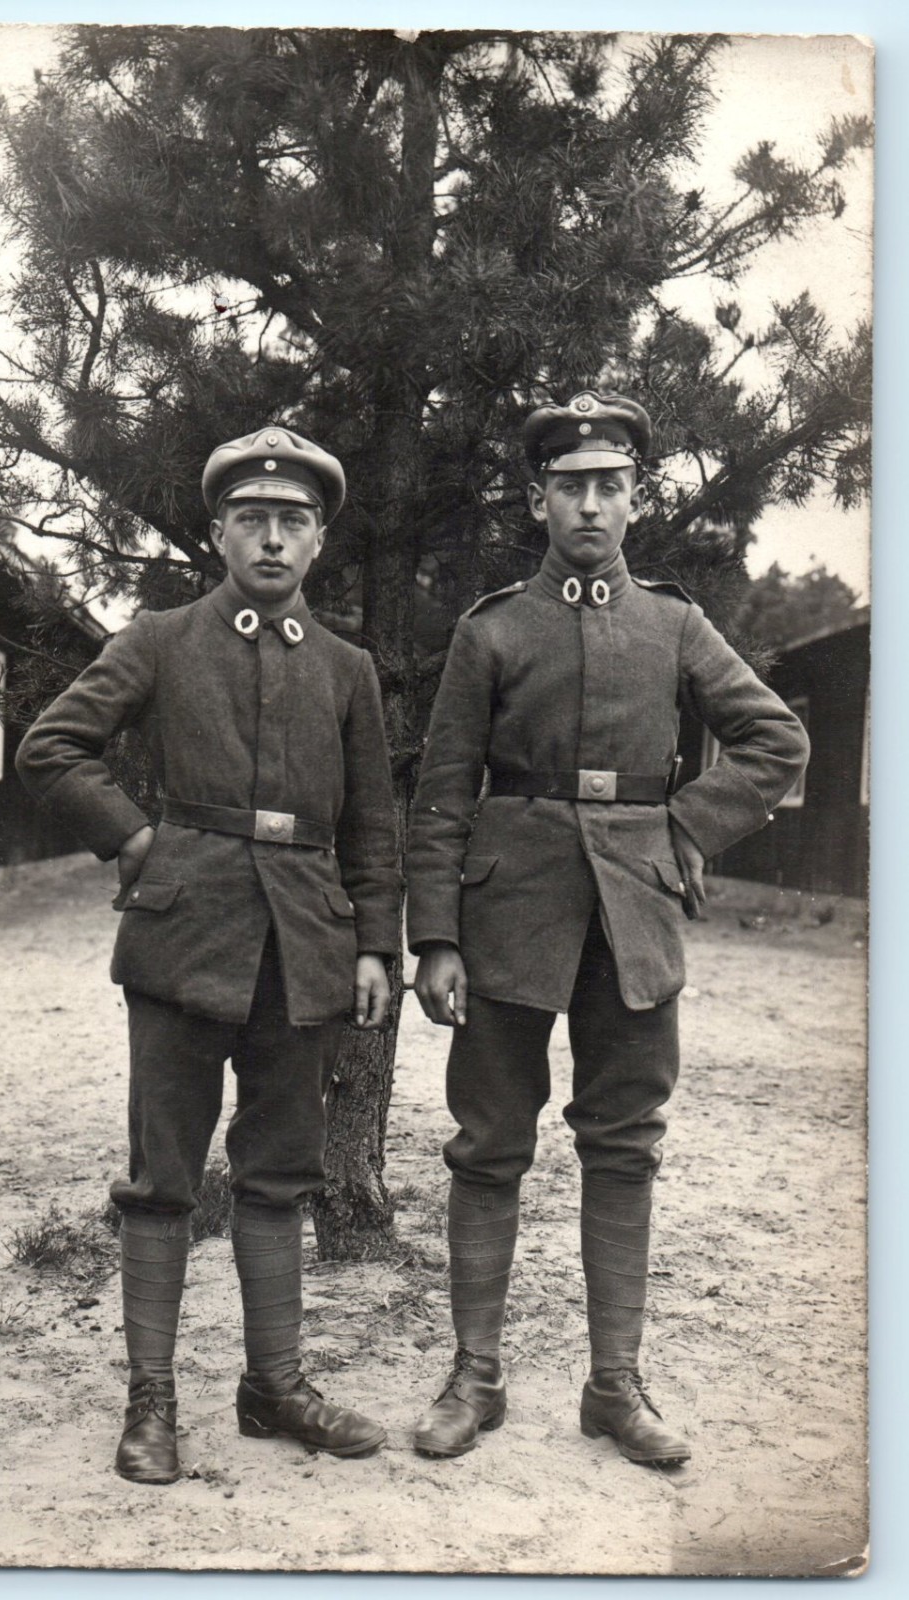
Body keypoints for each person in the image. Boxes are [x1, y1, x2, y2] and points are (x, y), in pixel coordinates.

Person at [404, 391, 809, 1465]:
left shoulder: (673, 624)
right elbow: (442, 790)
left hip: (632, 919)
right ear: (538, 499)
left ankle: (613, 1386)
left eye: (609, 485)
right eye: (569, 485)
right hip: (506, 916)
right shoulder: (490, 629)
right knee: (488, 1142)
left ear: (636, 499)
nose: (589, 504)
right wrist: (435, 934)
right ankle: (473, 1376)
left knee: (622, 1144)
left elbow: (772, 743)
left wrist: (679, 829)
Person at [16, 426, 400, 1483]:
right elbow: (51, 744)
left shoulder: (346, 670)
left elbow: (372, 824)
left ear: (317, 540)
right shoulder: (159, 639)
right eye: (252, 519)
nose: (272, 539)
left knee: (280, 1173)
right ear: (220, 531)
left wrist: (376, 946)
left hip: (304, 951)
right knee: (163, 1178)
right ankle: (151, 1401)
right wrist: (139, 839)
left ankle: (271, 1386)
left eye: (292, 521)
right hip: (182, 940)